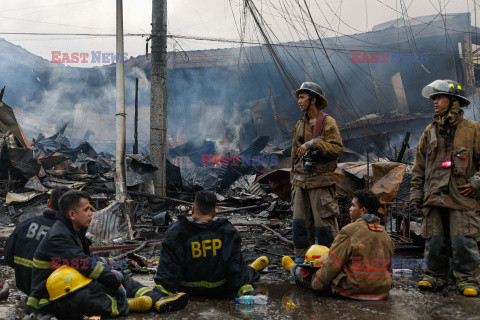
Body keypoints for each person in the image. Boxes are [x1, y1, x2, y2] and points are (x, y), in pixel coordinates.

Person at [26, 190, 188, 317]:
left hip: (69, 284)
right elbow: (85, 264)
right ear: (72, 215)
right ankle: (128, 305)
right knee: (101, 284)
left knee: (119, 273)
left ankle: (157, 299)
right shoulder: (59, 236)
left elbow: (88, 260)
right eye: (87, 209)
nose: (91, 213)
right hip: (52, 296)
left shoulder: (74, 230)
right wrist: (114, 281)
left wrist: (112, 268)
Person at [410, 79, 480, 296]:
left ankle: (469, 280)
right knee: (434, 240)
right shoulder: (429, 131)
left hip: (462, 196)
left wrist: (476, 184)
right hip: (435, 196)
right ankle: (434, 276)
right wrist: (417, 193)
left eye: (439, 97)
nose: (435, 102)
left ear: (453, 101)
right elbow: (419, 166)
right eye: (434, 98)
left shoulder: (473, 130)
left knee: (463, 240)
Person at [154, 190, 269, 298]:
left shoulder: (176, 234)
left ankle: (251, 269)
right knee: (246, 272)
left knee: (244, 270)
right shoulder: (228, 233)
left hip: (187, 290)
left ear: (193, 210)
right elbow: (236, 271)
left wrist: (157, 296)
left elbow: (167, 273)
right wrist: (252, 292)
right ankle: (252, 270)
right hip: (221, 290)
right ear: (214, 213)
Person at [283, 190, 395, 300]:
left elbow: (332, 263)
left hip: (353, 290)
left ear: (363, 210)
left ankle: (294, 269)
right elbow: (388, 268)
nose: (349, 209)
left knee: (305, 274)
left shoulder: (349, 231)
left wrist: (316, 283)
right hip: (381, 291)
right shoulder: (385, 234)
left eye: (352, 205)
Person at [290, 82, 343, 262]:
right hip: (300, 183)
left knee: (324, 225)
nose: (299, 101)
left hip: (321, 183)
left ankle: (329, 261)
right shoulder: (300, 124)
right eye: (299, 97)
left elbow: (336, 148)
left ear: (313, 100)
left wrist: (314, 143)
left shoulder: (328, 122)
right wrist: (292, 180)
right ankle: (302, 260)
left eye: (303, 97)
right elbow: (294, 155)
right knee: (299, 223)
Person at [4, 186, 69, 295]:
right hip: (53, 288)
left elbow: (8, 255)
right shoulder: (68, 231)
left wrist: (23, 272)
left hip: (24, 286)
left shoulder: (25, 224)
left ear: (48, 203)